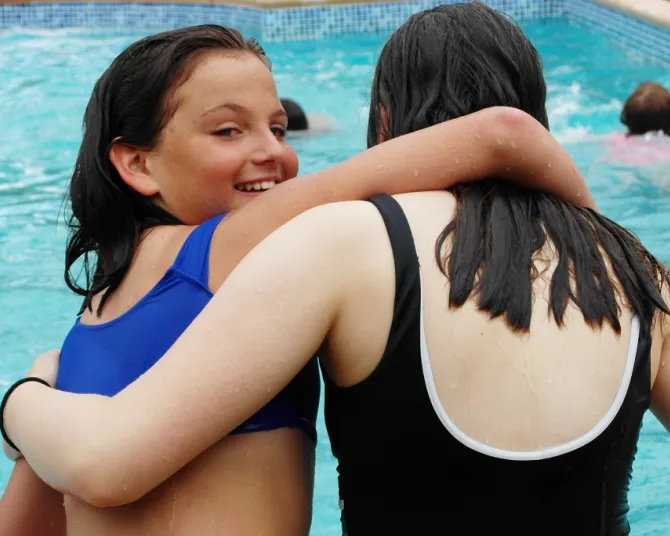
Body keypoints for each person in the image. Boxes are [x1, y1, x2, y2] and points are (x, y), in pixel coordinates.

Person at [0, 15, 600, 536]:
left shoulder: (91, 319)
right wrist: (598, 238)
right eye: (228, 130)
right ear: (137, 163)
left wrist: (25, 404)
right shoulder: (224, 251)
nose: (275, 154)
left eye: (279, 128)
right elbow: (505, 133)